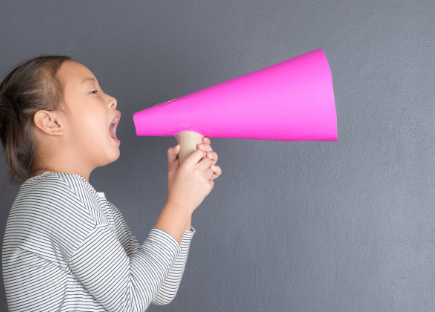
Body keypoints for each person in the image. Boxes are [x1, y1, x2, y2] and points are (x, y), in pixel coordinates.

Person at [0, 55, 221, 311]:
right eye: (93, 91)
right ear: (52, 122)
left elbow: (159, 289)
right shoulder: (59, 196)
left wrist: (185, 198)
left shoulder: (83, 202)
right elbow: (130, 300)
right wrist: (180, 203)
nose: (111, 99)